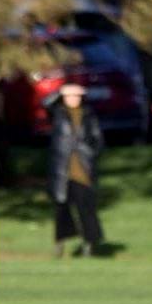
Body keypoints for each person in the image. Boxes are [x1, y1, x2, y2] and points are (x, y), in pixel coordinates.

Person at [46, 83, 105, 257]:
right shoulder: (58, 113)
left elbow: (98, 140)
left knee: (85, 209)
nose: (73, 99)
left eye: (77, 95)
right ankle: (60, 243)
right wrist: (59, 92)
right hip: (62, 171)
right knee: (61, 209)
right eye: (69, 96)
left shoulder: (88, 115)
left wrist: (90, 153)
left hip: (83, 169)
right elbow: (45, 103)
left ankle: (89, 244)